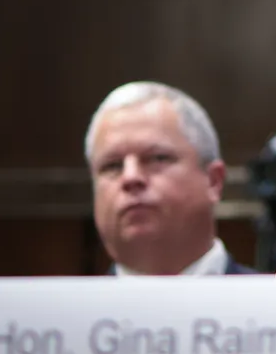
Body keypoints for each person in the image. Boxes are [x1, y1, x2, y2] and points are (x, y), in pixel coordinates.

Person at [85, 81, 256, 275]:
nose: (131, 177)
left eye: (157, 158)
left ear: (213, 181)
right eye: (112, 166)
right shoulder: (69, 306)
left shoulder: (275, 302)